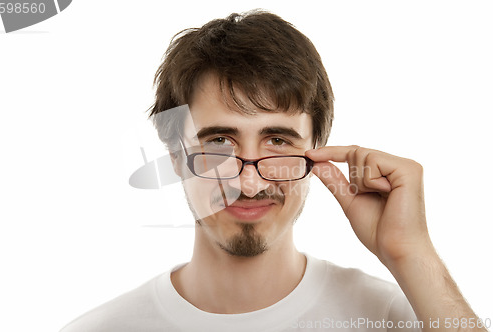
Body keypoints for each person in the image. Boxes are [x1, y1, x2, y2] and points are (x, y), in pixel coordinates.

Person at [61, 10, 485, 332]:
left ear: (318, 153)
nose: (249, 182)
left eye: (278, 141)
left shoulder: (396, 316)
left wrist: (410, 254)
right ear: (175, 157)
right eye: (218, 143)